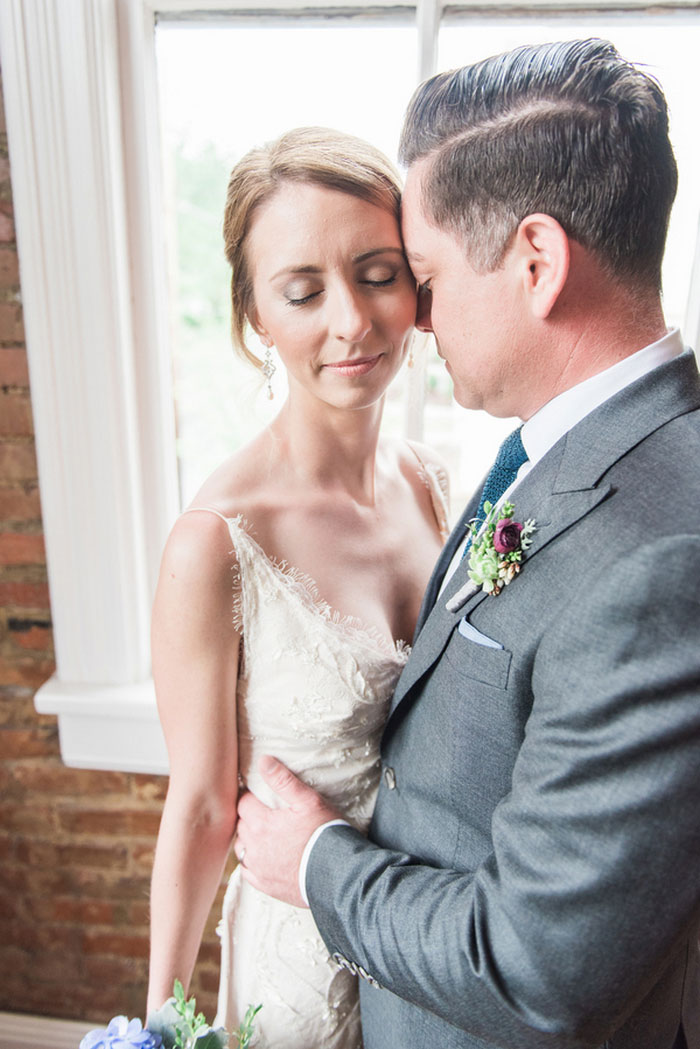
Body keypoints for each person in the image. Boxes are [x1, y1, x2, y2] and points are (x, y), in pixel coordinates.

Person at [235, 39, 700, 1049]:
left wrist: (316, 860)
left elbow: (534, 965)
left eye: (427, 275)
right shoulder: (557, 447)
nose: (420, 320)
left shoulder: (664, 548)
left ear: (536, 263)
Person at [145, 126, 449, 1048]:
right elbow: (199, 805)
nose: (352, 321)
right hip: (301, 978)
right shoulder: (217, 543)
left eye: (377, 272)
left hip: (427, 951)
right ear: (255, 317)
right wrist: (158, 1015)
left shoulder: (431, 484)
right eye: (304, 291)